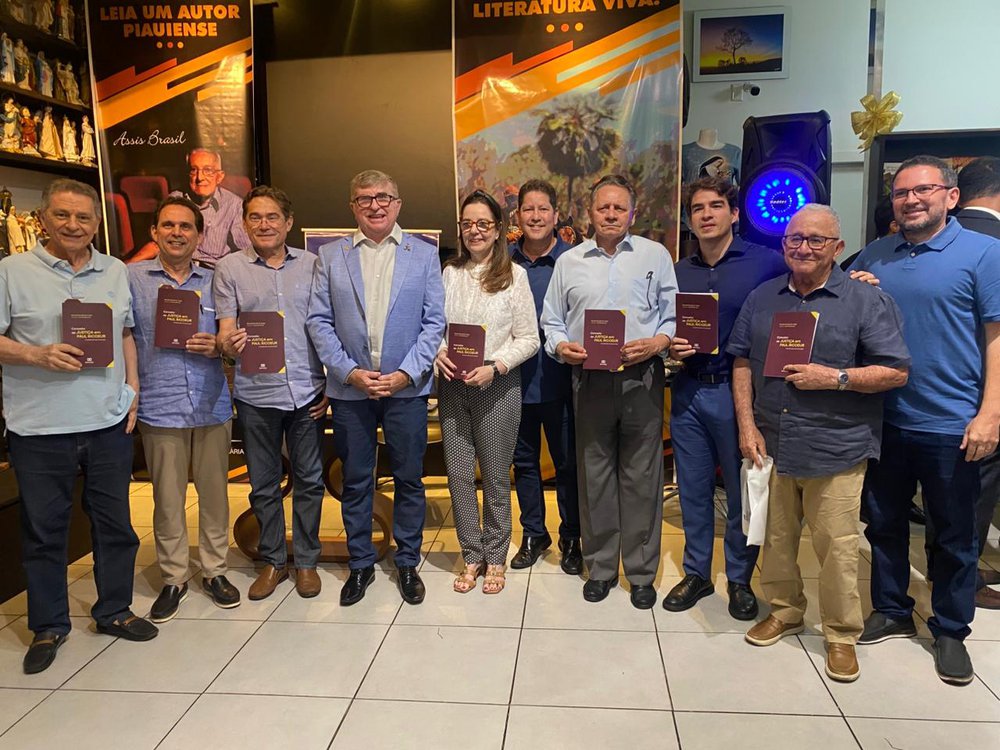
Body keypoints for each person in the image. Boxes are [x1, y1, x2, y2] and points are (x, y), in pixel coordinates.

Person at [729, 203, 910, 683]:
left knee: (837, 546)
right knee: (777, 538)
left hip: (837, 447)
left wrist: (836, 378)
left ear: (838, 248)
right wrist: (747, 426)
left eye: (815, 240)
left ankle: (840, 634)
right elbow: (742, 362)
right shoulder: (763, 298)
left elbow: (895, 370)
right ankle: (786, 610)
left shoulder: (867, 300)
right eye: (794, 239)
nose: (803, 248)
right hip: (772, 442)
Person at [851, 155, 1000, 685]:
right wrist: (857, 288)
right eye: (901, 193)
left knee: (955, 534)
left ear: (951, 197)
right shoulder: (875, 254)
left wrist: (991, 413)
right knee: (883, 522)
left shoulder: (985, 254)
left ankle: (951, 628)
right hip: (884, 419)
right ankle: (891, 609)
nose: (911, 200)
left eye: (924, 191)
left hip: (953, 422)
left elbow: (996, 337)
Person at [0, 178, 157, 675]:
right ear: (43, 218)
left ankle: (114, 609)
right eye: (63, 215)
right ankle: (49, 624)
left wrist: (132, 389)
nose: (73, 225)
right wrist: (34, 353)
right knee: (45, 531)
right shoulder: (11, 271)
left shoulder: (114, 271)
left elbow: (127, 332)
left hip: (107, 421)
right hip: (39, 427)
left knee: (115, 526)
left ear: (96, 223)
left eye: (84, 217)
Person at [307, 169, 445, 606]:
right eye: (365, 198)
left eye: (384, 197)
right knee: (356, 480)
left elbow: (434, 323)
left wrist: (406, 373)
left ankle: (407, 560)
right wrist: (349, 372)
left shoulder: (423, 255)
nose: (375, 205)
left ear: (398, 204)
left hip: (406, 388)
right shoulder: (330, 257)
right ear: (353, 206)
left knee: (409, 477)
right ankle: (361, 563)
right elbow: (318, 321)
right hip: (352, 391)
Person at [541, 174, 677, 609]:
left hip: (643, 380)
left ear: (632, 214)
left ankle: (639, 573)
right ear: (590, 212)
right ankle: (599, 567)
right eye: (604, 207)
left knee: (642, 477)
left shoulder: (655, 255)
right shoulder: (570, 262)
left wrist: (658, 342)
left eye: (620, 208)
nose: (612, 214)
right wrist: (562, 346)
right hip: (589, 380)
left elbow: (672, 317)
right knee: (595, 476)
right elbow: (552, 321)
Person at [664, 176, 788, 620]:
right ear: (689, 219)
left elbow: (809, 283)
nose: (707, 214)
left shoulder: (767, 263)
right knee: (693, 490)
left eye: (716, 205)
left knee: (740, 493)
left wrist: (859, 278)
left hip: (739, 395)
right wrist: (669, 343)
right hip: (687, 390)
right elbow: (663, 322)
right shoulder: (679, 271)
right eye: (698, 208)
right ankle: (697, 572)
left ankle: (738, 579)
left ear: (734, 213)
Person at [128, 196, 239, 623]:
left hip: (211, 404)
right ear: (154, 232)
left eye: (186, 227)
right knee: (167, 499)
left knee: (215, 496)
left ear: (199, 234)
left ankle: (214, 571)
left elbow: (234, 344)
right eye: (168, 225)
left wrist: (219, 348)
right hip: (159, 405)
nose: (177, 233)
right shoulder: (132, 279)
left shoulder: (216, 281)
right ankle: (174, 577)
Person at [215, 186, 328, 601]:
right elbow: (225, 331)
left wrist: (330, 384)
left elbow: (325, 329)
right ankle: (274, 561)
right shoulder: (228, 268)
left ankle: (308, 562)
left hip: (307, 393)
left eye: (272, 217)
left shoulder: (315, 265)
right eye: (255, 217)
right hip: (255, 395)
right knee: (263, 484)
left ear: (288, 222)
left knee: (311, 481)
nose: (264, 224)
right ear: (244, 223)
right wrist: (229, 344)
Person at [436, 190, 539, 594]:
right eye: (467, 224)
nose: (474, 231)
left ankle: (496, 556)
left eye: (483, 224)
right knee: (459, 475)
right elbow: (435, 329)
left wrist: (495, 366)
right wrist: (439, 354)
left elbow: (530, 338)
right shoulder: (450, 273)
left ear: (498, 230)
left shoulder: (515, 276)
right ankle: (471, 554)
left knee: (495, 477)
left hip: (496, 386)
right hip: (453, 387)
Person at [508, 179, 582, 575]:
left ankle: (572, 536)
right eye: (528, 209)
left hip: (562, 383)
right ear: (518, 216)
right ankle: (534, 534)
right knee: (524, 464)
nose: (535, 216)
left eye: (543, 209)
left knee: (567, 464)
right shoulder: (503, 262)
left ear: (556, 215)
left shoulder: (575, 260)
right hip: (512, 384)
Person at [954, 156, 1000, 610]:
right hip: (985, 399)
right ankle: (962, 580)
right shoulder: (993, 243)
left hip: (933, 399)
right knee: (975, 495)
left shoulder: (910, 242)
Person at [171, 148, 252, 266]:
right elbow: (158, 245)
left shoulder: (234, 205)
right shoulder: (174, 200)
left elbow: (246, 252)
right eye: (194, 170)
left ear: (219, 177)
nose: (200, 178)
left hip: (214, 273)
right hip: (178, 269)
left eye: (208, 170)